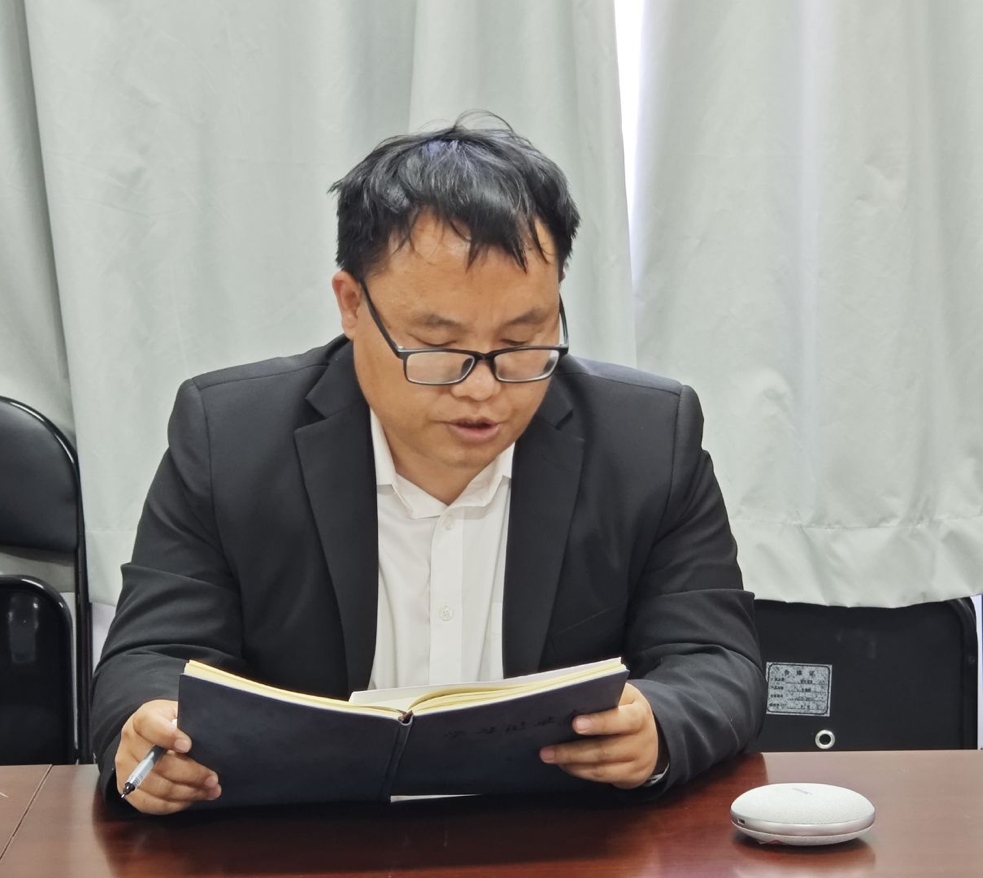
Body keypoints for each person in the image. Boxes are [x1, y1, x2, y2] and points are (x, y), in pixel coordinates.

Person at [91, 115, 765, 815]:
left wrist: (657, 725)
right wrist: (149, 731)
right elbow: (150, 658)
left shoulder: (647, 440)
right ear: (352, 305)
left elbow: (717, 661)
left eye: (522, 338)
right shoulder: (230, 437)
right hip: (300, 837)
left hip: (555, 838)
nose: (483, 388)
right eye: (439, 346)